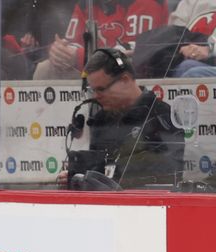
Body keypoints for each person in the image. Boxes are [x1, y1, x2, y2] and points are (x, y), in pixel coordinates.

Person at [57, 48, 184, 189]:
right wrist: (78, 177)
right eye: (93, 90)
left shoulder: (161, 115)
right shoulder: (101, 119)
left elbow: (170, 171)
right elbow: (99, 170)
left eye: (101, 89)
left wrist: (114, 171)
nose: (96, 96)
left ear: (125, 80)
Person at [33, 0, 169, 80]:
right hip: (95, 69)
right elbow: (73, 43)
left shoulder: (146, 2)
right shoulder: (87, 4)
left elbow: (132, 54)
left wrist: (81, 57)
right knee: (45, 68)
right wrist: (60, 52)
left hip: (131, 74)